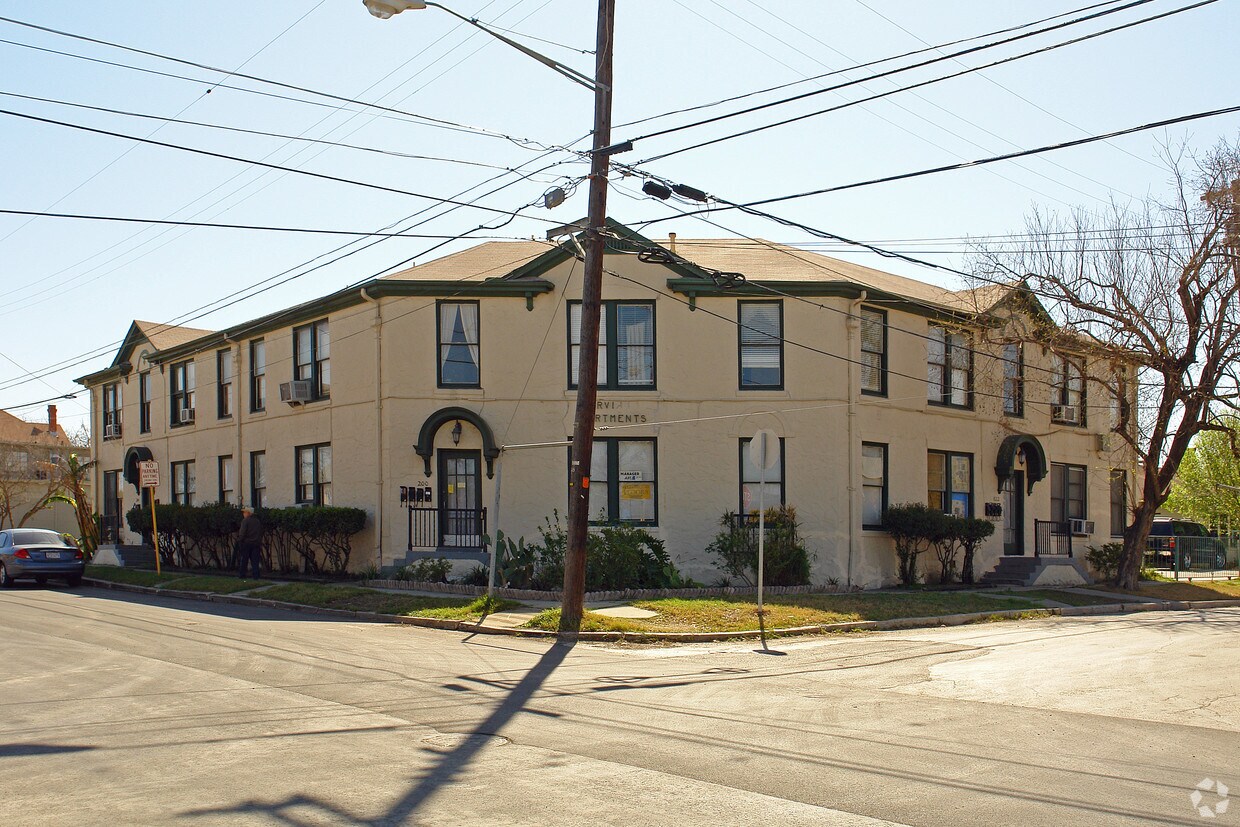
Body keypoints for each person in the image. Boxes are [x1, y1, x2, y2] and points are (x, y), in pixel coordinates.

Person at [236, 506, 263, 579]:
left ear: (248, 513)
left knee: (244, 560)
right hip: (256, 543)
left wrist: (239, 540)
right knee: (255, 561)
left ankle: (242, 575)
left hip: (246, 543)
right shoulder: (257, 521)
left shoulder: (245, 521)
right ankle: (256, 576)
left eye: (244, 512)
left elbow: (242, 533)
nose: (243, 514)